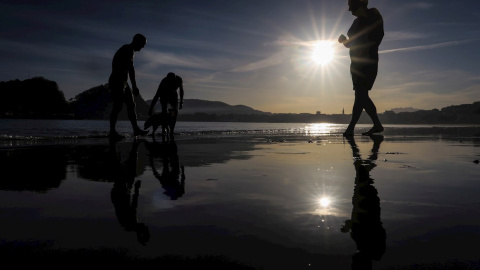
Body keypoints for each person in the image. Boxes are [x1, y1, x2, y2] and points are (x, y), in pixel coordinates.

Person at [338, 0, 384, 136]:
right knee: (361, 95)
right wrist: (344, 41)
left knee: (361, 94)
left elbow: (377, 36)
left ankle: (351, 128)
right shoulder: (356, 22)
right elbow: (351, 44)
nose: (350, 11)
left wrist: (353, 42)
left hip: (368, 62)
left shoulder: (373, 15)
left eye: (351, 7)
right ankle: (376, 124)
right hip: (356, 64)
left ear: (360, 5)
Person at [108, 33, 149, 139]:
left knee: (131, 105)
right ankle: (112, 132)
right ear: (137, 41)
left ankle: (136, 130)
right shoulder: (127, 49)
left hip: (124, 82)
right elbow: (131, 69)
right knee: (118, 106)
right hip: (117, 81)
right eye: (142, 44)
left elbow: (129, 69)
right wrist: (134, 86)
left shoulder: (129, 50)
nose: (142, 47)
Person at [148, 72, 184, 137]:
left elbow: (181, 91)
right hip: (164, 94)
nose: (169, 82)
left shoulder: (179, 80)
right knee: (164, 111)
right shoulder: (164, 82)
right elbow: (156, 96)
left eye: (171, 81)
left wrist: (181, 101)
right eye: (168, 80)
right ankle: (163, 130)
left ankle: (171, 131)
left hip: (173, 94)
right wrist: (151, 108)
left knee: (175, 112)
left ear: (174, 79)